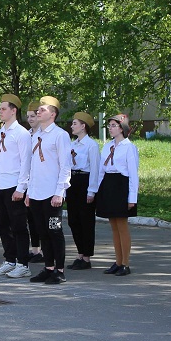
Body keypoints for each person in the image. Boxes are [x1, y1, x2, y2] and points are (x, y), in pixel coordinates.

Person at [23, 96, 72, 283]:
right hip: (36, 193)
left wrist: (60, 191)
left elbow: (65, 166)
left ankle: (59, 270)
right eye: (38, 109)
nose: (38, 111)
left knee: (54, 231)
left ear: (52, 114)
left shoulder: (60, 135)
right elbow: (33, 166)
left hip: (52, 194)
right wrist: (29, 191)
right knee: (42, 232)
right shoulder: (36, 136)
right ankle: (48, 267)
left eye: (42, 110)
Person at [0, 95, 33, 278]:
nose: (0, 111)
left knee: (18, 226)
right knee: (2, 225)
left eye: (4, 108)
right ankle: (10, 260)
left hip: (14, 185)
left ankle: (23, 263)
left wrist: (21, 188)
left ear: (13, 111)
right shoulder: (0, 133)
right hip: (0, 185)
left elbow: (26, 162)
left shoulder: (21, 133)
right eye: (0, 108)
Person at [96, 114, 140, 276]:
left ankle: (125, 263)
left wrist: (132, 198)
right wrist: (98, 190)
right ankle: (118, 261)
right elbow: (102, 170)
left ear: (122, 128)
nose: (110, 128)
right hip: (109, 184)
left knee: (122, 226)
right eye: (110, 125)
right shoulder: (107, 146)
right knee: (113, 226)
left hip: (122, 185)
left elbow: (133, 174)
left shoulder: (129, 147)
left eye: (114, 125)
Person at [67, 112, 101, 270]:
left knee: (85, 220)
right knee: (73, 220)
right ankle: (80, 253)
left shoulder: (91, 145)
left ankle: (86, 257)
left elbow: (95, 169)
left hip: (85, 181)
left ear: (83, 126)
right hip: (73, 181)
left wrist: (92, 191)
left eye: (75, 123)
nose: (72, 126)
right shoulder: (72, 145)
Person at [25, 103, 44, 263]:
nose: (30, 119)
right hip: (28, 180)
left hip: (41, 180)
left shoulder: (44, 134)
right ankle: (35, 249)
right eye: (28, 116)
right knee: (30, 217)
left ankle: (44, 250)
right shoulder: (27, 135)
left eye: (33, 116)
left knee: (42, 218)